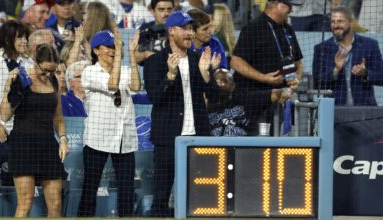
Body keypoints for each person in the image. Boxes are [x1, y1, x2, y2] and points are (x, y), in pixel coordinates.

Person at [143, 10, 219, 217]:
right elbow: (154, 98)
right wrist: (170, 75)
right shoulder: (155, 62)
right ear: (171, 31)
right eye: (185, 29)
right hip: (168, 138)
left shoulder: (198, 59)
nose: (190, 33)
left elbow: (216, 97)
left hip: (198, 137)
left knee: (201, 199)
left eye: (191, 29)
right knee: (161, 198)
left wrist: (206, 75)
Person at [0, 44, 68, 217]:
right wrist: (8, 85)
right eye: (44, 70)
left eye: (53, 70)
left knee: (56, 203)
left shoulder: (54, 81)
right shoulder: (20, 79)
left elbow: (57, 115)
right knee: (26, 201)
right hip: (23, 146)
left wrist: (63, 138)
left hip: (48, 146)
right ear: (35, 62)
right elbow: (5, 115)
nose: (48, 75)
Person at [77, 28, 141, 217]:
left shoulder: (126, 69)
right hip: (98, 139)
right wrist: (121, 53)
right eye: (109, 47)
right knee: (91, 187)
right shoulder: (89, 72)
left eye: (115, 47)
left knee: (126, 190)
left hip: (124, 139)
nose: (113, 50)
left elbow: (136, 86)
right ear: (96, 50)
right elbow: (112, 85)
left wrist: (131, 55)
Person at [230, 0, 302, 133]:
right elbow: (236, 62)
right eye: (288, 6)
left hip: (277, 101)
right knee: (255, 147)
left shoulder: (287, 29)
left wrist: (295, 81)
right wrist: (264, 78)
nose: (291, 10)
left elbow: (297, 62)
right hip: (252, 102)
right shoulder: (254, 28)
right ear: (276, 4)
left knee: (273, 146)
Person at [312, 6, 383, 106]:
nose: (336, 25)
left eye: (340, 21)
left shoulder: (370, 45)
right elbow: (316, 84)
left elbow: (381, 77)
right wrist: (335, 70)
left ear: (351, 23)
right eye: (333, 22)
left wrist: (365, 73)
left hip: (365, 112)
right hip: (334, 112)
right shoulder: (321, 49)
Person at [0, 20, 33, 186]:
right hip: (1, 132)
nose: (24, 41)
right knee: (5, 182)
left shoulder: (29, 62)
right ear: (9, 39)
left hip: (25, 131)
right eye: (20, 37)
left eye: (26, 37)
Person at [208, 68, 292, 136]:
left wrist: (286, 91)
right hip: (213, 149)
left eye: (224, 81)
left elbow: (278, 93)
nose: (222, 84)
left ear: (232, 84)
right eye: (218, 82)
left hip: (242, 149)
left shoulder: (247, 99)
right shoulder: (207, 103)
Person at [135, 0, 174, 65]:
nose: (166, 13)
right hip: (151, 71)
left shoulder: (180, 28)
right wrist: (146, 55)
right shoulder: (144, 29)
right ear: (153, 12)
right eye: (161, 9)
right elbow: (134, 57)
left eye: (169, 9)